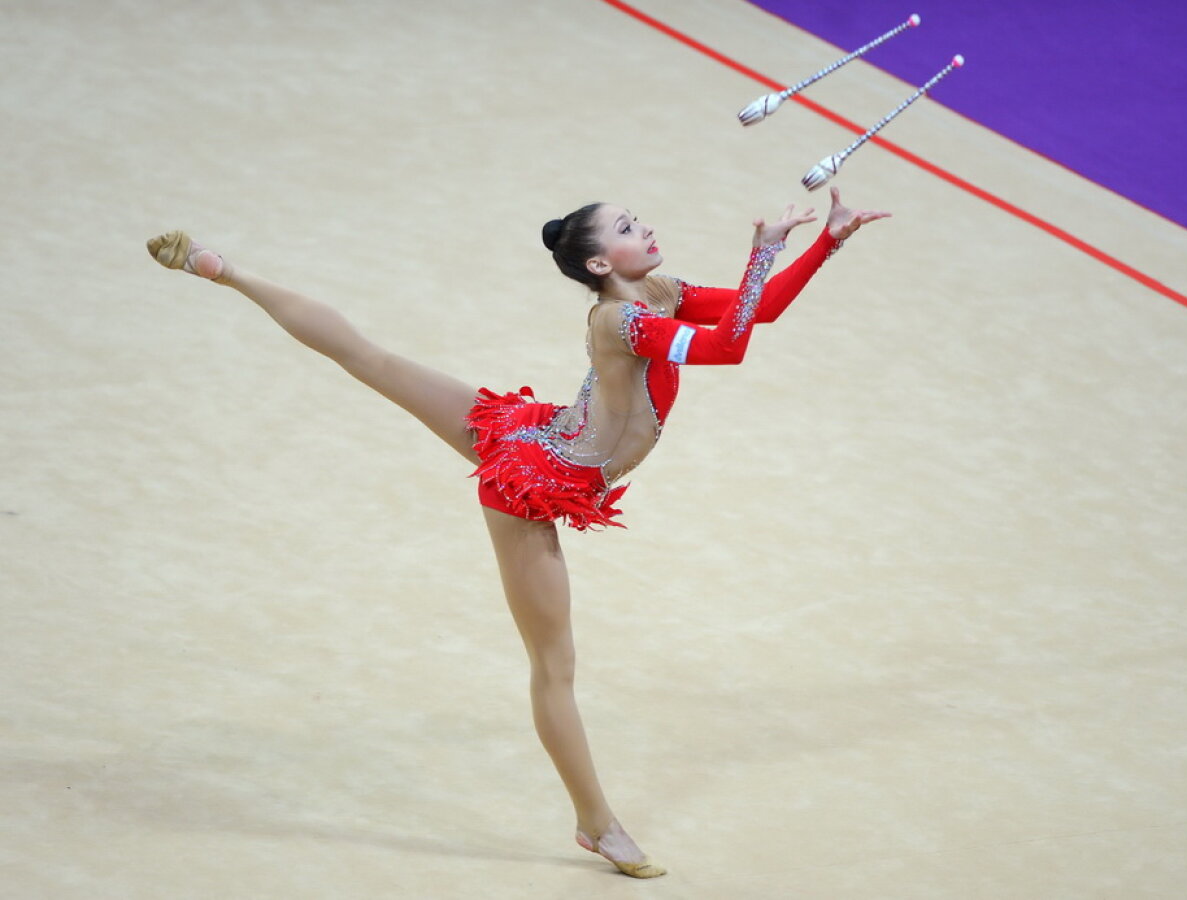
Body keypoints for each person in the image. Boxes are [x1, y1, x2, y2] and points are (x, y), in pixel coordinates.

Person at [145, 186, 888, 878]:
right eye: (628, 228)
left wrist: (825, 243)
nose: (647, 227)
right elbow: (730, 345)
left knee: (373, 360)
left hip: (536, 430)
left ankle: (223, 270)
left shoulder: (659, 294)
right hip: (531, 484)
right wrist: (763, 249)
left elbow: (755, 315)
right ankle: (597, 822)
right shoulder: (620, 318)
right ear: (600, 263)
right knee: (555, 666)